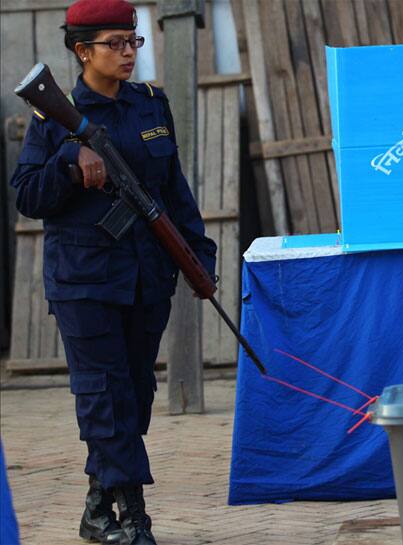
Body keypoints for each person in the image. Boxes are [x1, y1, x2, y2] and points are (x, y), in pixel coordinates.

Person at [8, 1, 216, 543]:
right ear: (82, 51)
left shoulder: (150, 106)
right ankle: (133, 517)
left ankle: (98, 507)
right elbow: (27, 195)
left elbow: (173, 191)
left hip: (147, 277)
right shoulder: (54, 114)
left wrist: (198, 257)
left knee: (138, 392)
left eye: (133, 41)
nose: (128, 53)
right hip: (85, 281)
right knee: (105, 393)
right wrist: (69, 166)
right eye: (115, 43)